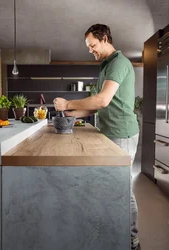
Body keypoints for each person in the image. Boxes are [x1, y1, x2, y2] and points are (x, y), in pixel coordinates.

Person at [53, 24, 140, 250]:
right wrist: (67, 113)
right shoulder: (106, 66)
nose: (90, 50)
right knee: (109, 184)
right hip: (109, 131)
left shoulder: (119, 63)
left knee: (122, 186)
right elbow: (94, 108)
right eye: (88, 47)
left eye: (92, 45)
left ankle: (132, 239)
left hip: (122, 133)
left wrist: (68, 103)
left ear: (104, 38)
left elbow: (102, 101)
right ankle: (110, 230)